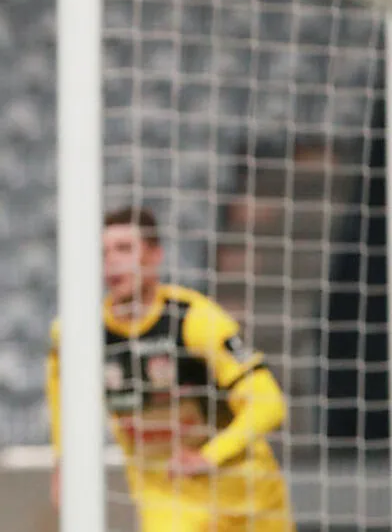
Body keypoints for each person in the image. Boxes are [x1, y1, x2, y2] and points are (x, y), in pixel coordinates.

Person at [46, 206, 294, 532]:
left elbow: (269, 403)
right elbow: (61, 399)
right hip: (168, 501)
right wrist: (64, 462)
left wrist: (209, 456)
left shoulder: (193, 319)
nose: (112, 261)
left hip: (248, 498)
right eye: (103, 252)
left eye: (124, 248)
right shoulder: (77, 334)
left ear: (155, 255)